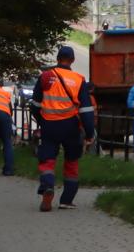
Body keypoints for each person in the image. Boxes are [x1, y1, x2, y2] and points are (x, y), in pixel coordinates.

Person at [30, 44, 97, 212]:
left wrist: (42, 121)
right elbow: (86, 110)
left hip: (50, 125)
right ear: (72, 60)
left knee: (47, 160)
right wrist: (89, 133)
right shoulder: (79, 79)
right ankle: (66, 200)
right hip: (71, 126)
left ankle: (47, 187)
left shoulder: (46, 76)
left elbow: (35, 105)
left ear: (57, 59)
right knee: (72, 161)